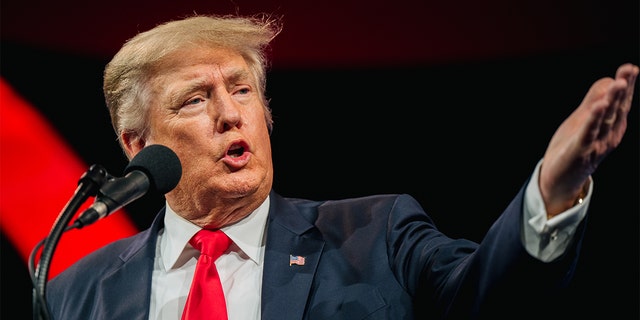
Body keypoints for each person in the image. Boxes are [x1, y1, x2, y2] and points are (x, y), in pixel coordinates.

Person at [44, 13, 638, 320]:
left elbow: (490, 298)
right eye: (196, 99)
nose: (231, 115)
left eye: (243, 90)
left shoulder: (375, 234)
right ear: (134, 143)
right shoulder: (77, 292)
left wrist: (551, 192)